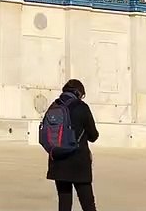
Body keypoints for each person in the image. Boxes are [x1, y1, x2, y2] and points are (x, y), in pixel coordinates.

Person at [45, 79, 100, 211]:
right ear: (78, 93)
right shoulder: (82, 107)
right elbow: (93, 136)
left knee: (64, 204)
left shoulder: (54, 106)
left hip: (58, 160)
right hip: (78, 163)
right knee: (88, 204)